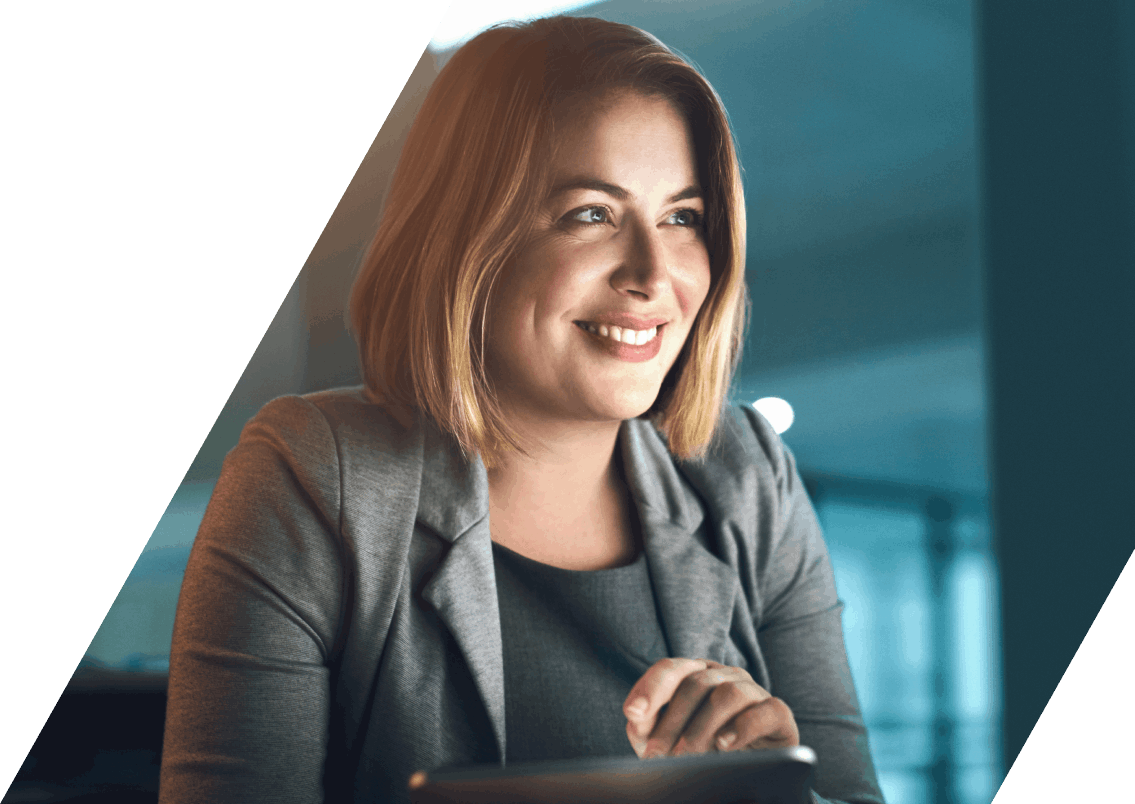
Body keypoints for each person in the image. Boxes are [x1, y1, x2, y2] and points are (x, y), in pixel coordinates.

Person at [160, 15, 884, 804]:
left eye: (683, 218)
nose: (652, 274)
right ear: (469, 237)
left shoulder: (748, 475)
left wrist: (779, 795)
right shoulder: (312, 479)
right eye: (591, 214)